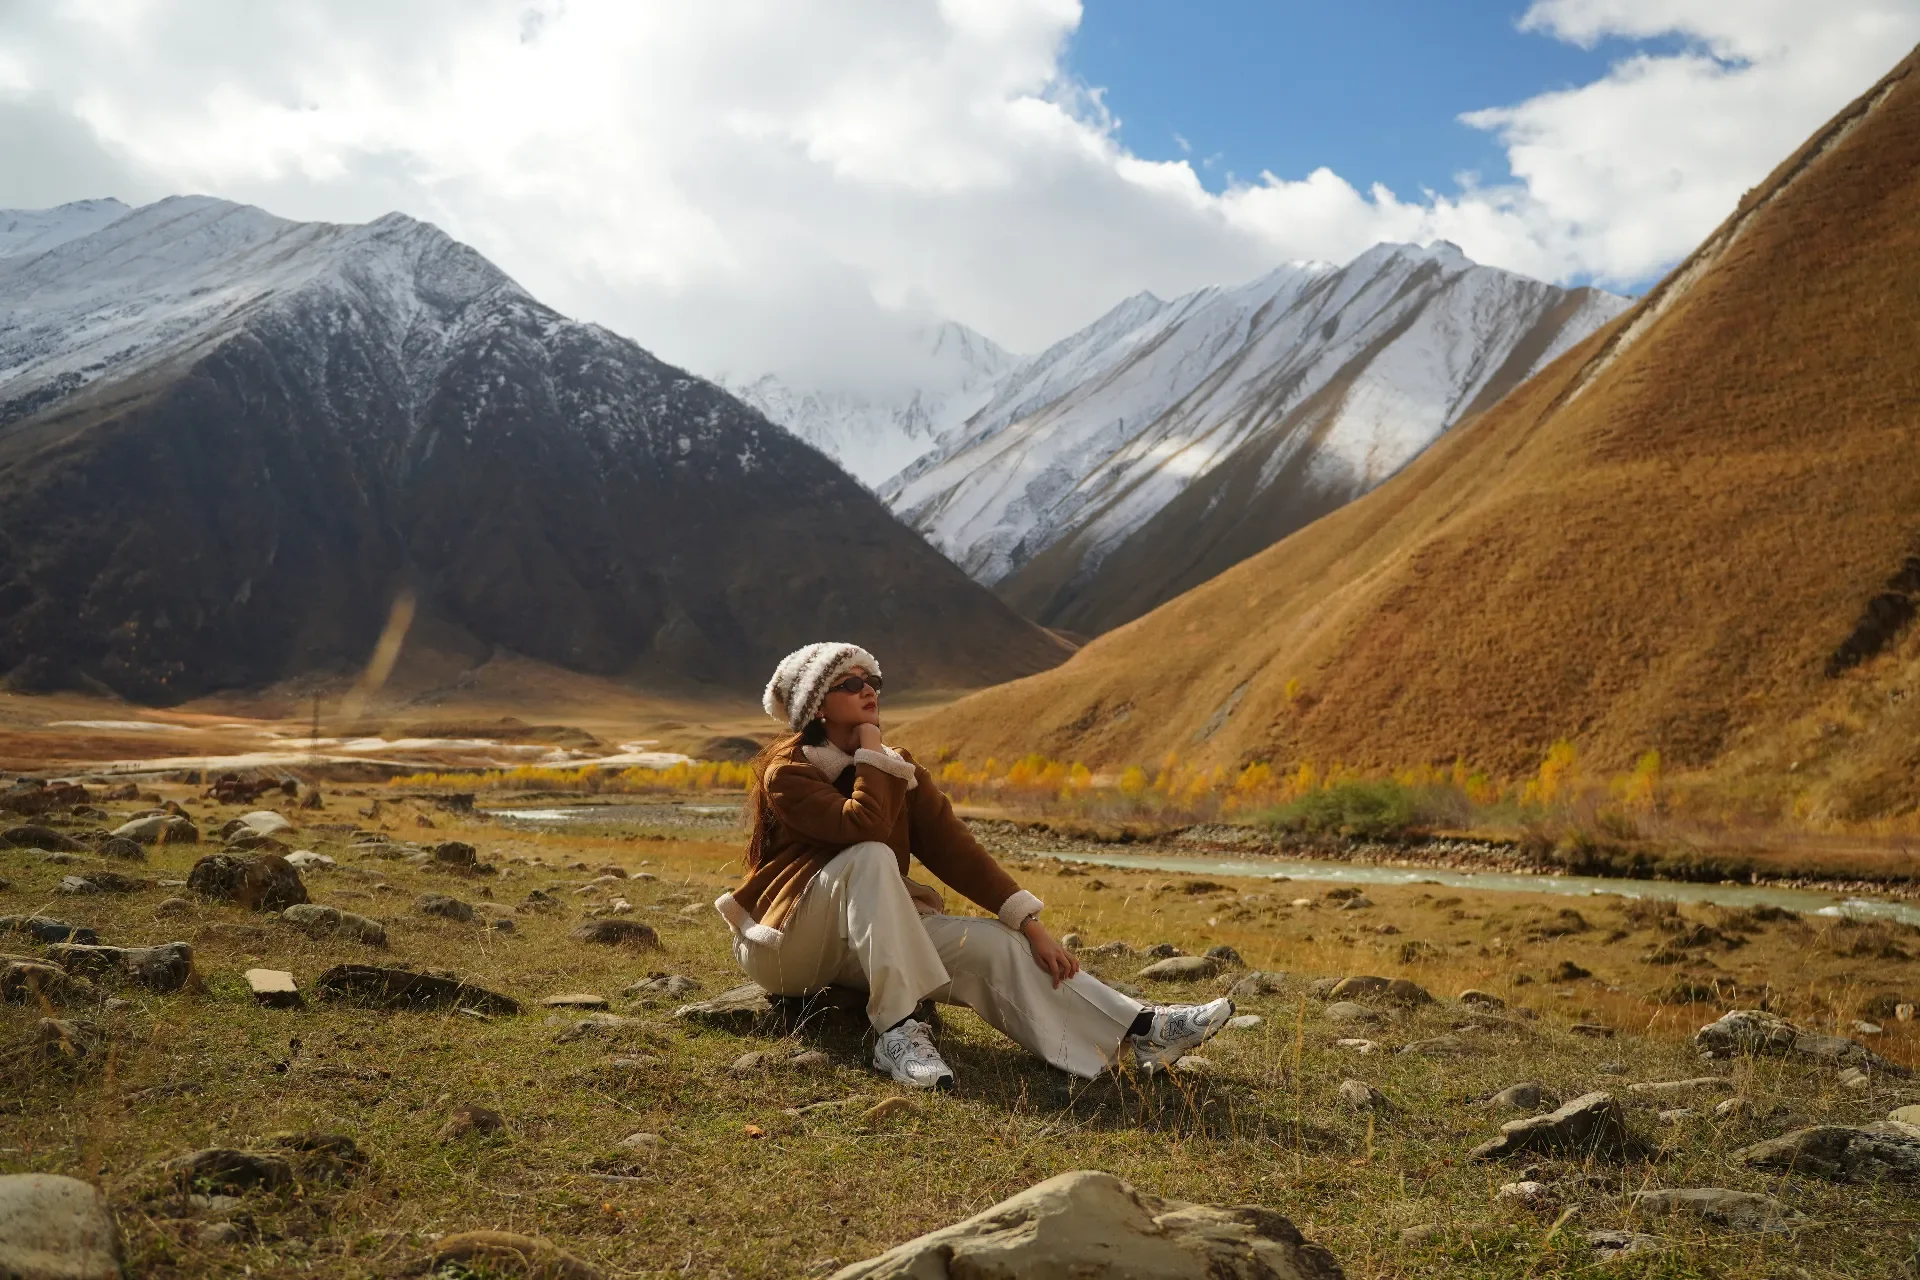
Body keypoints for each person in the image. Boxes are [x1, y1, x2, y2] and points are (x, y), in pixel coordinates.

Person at [713, 641, 1233, 1089]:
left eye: (873, 678)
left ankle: (1139, 1031)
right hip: (787, 949)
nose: (869, 688)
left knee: (993, 945)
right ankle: (897, 1034)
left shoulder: (895, 766)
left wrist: (1029, 925)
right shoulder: (790, 771)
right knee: (870, 857)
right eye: (851, 683)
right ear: (816, 705)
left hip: (861, 942)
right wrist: (875, 755)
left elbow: (953, 848)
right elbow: (863, 828)